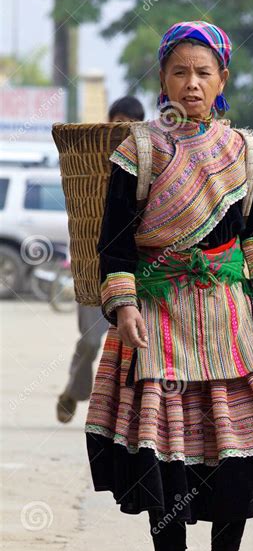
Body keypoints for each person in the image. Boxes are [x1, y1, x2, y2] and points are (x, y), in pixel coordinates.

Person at [84, 21, 253, 551]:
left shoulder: (243, 149)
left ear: (222, 79)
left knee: (235, 440)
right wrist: (124, 306)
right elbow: (114, 241)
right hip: (159, 314)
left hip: (228, 314)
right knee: (165, 446)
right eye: (179, 71)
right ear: (162, 77)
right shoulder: (139, 146)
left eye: (203, 72)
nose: (191, 83)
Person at [56, 96, 145, 424]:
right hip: (94, 266)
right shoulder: (88, 162)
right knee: (91, 340)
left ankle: (123, 418)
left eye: (129, 122)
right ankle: (74, 391)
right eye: (117, 120)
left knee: (133, 348)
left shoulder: (146, 163)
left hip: (133, 271)